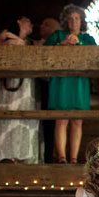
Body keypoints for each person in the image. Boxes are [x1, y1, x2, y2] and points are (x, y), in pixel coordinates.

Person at [0, 16, 39, 164]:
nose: (31, 24)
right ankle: (1, 155)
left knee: (22, 118)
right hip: (5, 82)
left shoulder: (31, 43)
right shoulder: (5, 35)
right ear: (19, 22)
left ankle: (22, 156)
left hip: (25, 84)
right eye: (28, 21)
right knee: (4, 118)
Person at [45, 4, 96, 163]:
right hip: (61, 82)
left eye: (76, 18)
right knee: (61, 119)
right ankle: (61, 157)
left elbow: (95, 55)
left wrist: (79, 44)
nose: (73, 22)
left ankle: (73, 158)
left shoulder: (87, 38)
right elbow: (44, 52)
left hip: (79, 82)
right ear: (66, 21)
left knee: (77, 120)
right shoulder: (57, 36)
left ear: (82, 21)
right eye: (70, 19)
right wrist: (62, 45)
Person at [35, 18, 61, 163]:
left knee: (51, 121)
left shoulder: (54, 41)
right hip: (40, 85)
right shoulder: (40, 43)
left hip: (51, 86)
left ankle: (50, 156)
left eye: (45, 25)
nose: (41, 27)